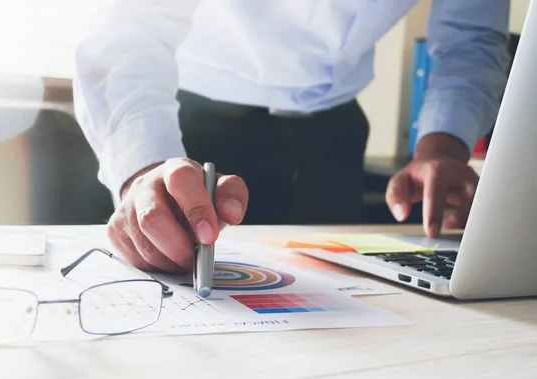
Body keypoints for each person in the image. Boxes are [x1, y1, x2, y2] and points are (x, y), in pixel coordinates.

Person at [73, 0, 510, 273]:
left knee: (339, 319)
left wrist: (443, 143)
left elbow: (471, 38)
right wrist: (144, 165)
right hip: (183, 132)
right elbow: (128, 19)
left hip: (332, 138)